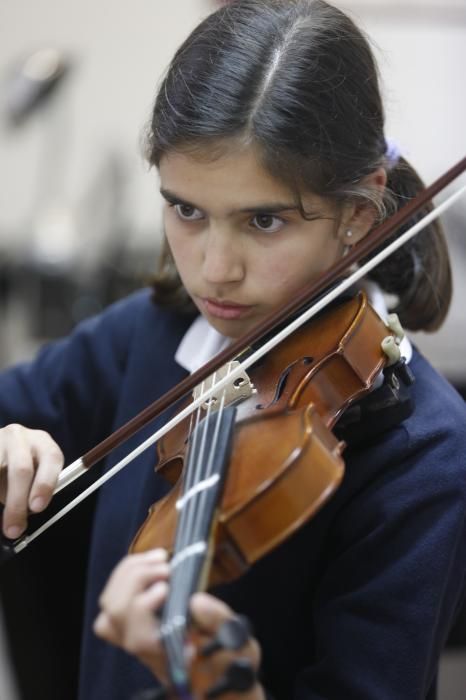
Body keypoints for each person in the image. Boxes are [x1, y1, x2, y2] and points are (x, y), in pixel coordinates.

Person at [1, 0, 465, 698]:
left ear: (359, 217)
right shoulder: (152, 332)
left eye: (265, 220)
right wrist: (11, 438)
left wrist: (223, 686)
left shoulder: (418, 452)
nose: (215, 269)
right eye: (187, 209)